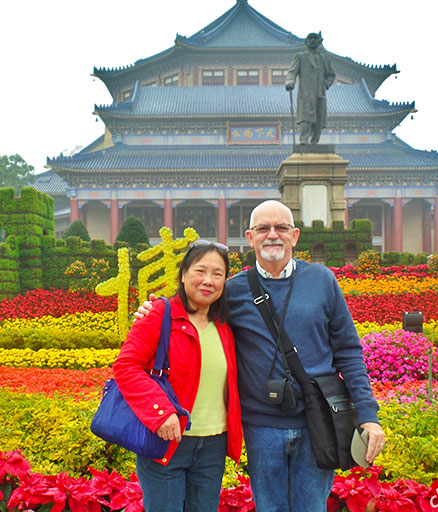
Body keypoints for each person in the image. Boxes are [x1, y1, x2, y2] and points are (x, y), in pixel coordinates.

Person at [137, 201, 385, 512]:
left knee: (312, 507)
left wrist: (368, 415)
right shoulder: (232, 290)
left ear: (294, 236)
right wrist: (154, 311)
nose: (272, 236)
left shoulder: (322, 281)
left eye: (281, 228)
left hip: (316, 422)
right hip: (261, 427)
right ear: (250, 237)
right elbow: (189, 312)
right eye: (262, 229)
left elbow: (349, 352)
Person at [113, 240, 242, 512]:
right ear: (183, 274)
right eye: (200, 271)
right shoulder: (160, 314)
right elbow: (126, 365)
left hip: (213, 445)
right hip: (167, 442)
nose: (208, 280)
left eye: (217, 274)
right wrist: (160, 412)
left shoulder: (226, 323)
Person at [285, 32, 336, 145]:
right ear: (306, 42)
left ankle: (315, 142)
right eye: (310, 38)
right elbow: (292, 71)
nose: (312, 40)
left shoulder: (325, 59)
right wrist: (290, 81)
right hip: (306, 92)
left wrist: (326, 84)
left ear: (319, 41)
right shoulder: (300, 56)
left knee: (319, 118)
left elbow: (331, 75)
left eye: (315, 38)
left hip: (320, 92)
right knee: (306, 117)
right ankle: (303, 140)